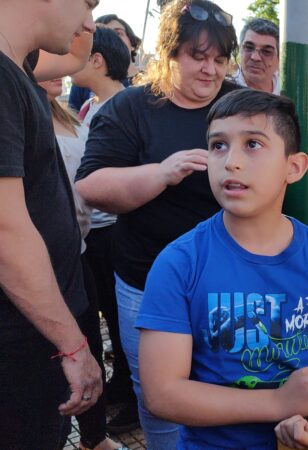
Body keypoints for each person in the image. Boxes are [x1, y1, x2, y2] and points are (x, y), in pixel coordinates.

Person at [136, 89, 308, 449]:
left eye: (253, 144)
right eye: (218, 145)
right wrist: (277, 403)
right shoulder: (179, 263)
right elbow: (162, 393)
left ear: (294, 167)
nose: (231, 161)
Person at [75, 1, 239, 447]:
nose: (210, 70)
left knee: (228, 381)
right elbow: (91, 184)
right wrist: (162, 173)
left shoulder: (239, 106)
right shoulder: (131, 108)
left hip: (228, 281)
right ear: (169, 53)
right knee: (157, 395)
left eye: (220, 60)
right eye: (197, 57)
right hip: (146, 281)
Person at [0, 1, 103, 449]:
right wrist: (73, 346)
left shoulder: (17, 66)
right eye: (88, 2)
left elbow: (76, 55)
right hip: (18, 345)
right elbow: (5, 231)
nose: (89, 23)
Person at [40, 77, 126, 450]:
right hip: (41, 260)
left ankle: (93, 437)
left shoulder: (69, 114)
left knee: (87, 341)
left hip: (79, 250)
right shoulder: (21, 109)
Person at [70, 26, 139, 432]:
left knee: (121, 316)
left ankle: (133, 395)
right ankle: (120, 383)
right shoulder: (91, 106)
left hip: (112, 230)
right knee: (110, 318)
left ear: (97, 61)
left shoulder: (124, 107)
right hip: (92, 232)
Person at [69, 14, 141, 112]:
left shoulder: (131, 106)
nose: (111, 38)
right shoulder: (87, 104)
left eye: (117, 33)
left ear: (96, 60)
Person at [233, 18, 280, 94]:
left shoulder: (292, 92)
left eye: (266, 51)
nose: (255, 57)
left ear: (279, 59)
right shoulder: (220, 92)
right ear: (239, 50)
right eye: (249, 47)